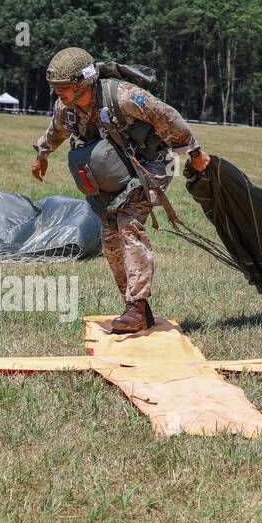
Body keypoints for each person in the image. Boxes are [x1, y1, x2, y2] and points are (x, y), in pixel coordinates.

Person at [31, 47, 208, 333]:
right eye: (56, 89)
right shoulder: (67, 108)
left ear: (82, 85)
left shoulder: (124, 97)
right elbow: (56, 131)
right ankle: (138, 308)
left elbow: (166, 115)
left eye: (63, 89)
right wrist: (41, 155)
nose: (57, 95)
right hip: (115, 172)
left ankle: (135, 308)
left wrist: (195, 153)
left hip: (153, 163)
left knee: (128, 225)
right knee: (110, 237)